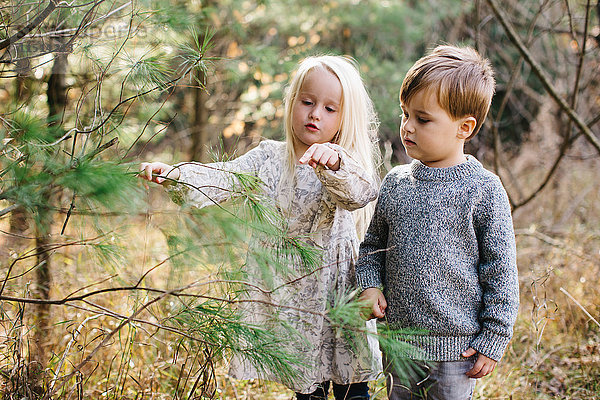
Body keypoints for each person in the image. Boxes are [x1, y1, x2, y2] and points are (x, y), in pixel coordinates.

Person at [139, 55, 382, 399]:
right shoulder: (269, 157)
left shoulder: (342, 162)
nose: (315, 114)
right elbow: (223, 178)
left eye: (330, 109)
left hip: (336, 288)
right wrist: (176, 174)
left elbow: (360, 192)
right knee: (305, 385)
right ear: (292, 102)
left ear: (345, 118)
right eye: (308, 102)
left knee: (351, 386)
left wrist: (334, 162)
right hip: (290, 290)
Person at [356, 45, 519, 400]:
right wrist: (370, 285)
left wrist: (494, 337)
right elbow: (371, 249)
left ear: (465, 127)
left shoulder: (483, 189)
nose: (407, 127)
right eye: (404, 114)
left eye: (423, 119)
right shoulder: (396, 183)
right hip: (399, 344)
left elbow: (501, 270)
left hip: (457, 354)